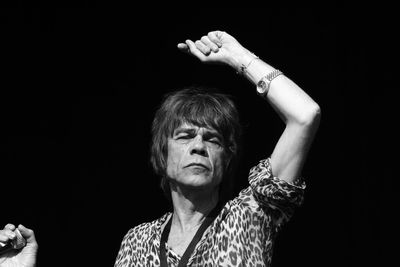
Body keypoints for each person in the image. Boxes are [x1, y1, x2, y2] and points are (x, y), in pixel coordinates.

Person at [114, 30, 321, 266]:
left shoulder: (248, 217)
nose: (199, 146)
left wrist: (239, 57)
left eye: (213, 139)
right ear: (162, 154)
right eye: (185, 136)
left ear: (227, 159)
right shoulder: (137, 242)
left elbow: (305, 116)